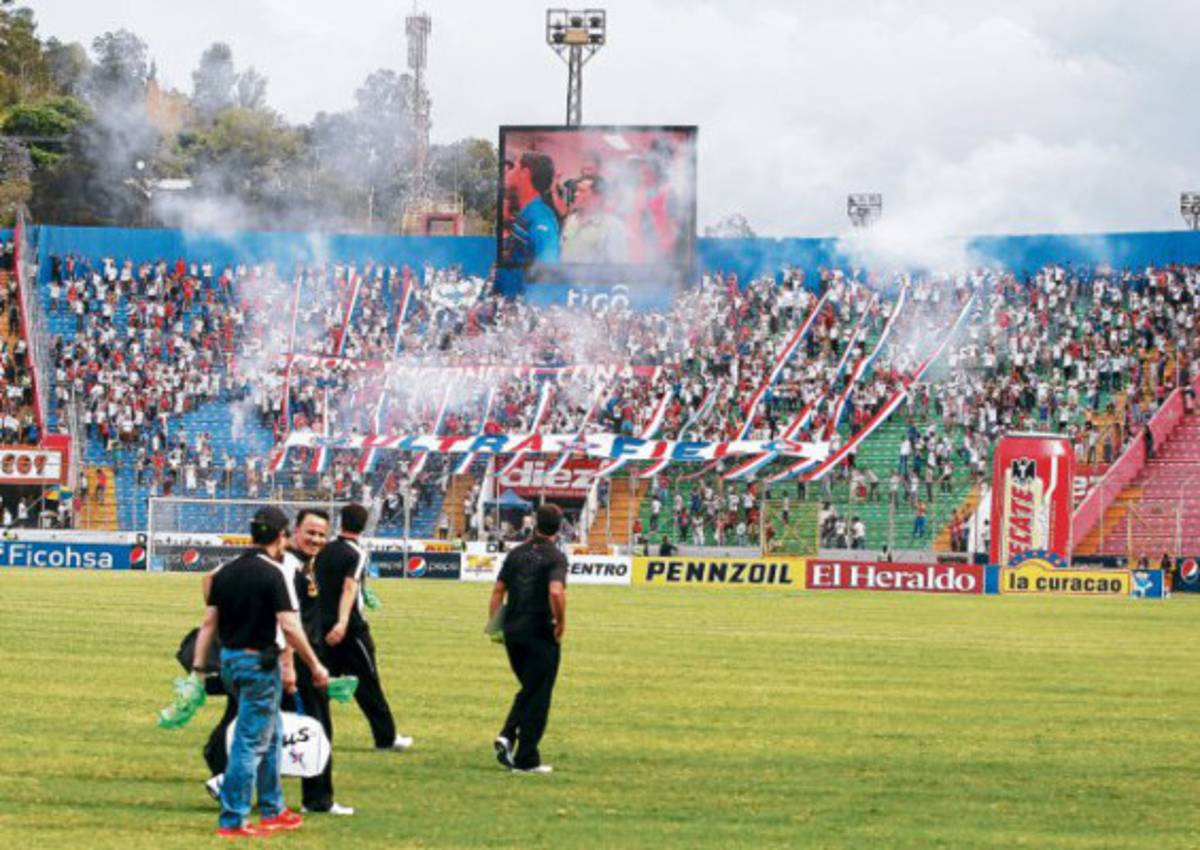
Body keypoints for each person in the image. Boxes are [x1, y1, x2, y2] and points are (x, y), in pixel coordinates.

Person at [191, 506, 330, 838]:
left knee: (272, 734)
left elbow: (208, 624)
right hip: (258, 664)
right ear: (281, 536)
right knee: (250, 742)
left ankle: (273, 808)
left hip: (230, 661)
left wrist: (197, 669)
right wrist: (314, 664)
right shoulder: (275, 573)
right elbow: (290, 626)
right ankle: (233, 818)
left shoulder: (227, 571)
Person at [315, 503, 412, 751]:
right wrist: (343, 622)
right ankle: (386, 738)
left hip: (322, 626)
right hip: (350, 629)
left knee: (320, 682)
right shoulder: (356, 553)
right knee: (368, 682)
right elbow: (349, 587)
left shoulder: (324, 550)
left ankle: (315, 736)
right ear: (365, 525)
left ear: (340, 522)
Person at [282, 509, 353, 816]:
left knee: (257, 726)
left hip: (302, 658)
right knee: (317, 728)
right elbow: (286, 621)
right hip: (297, 661)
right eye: (310, 532)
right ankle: (318, 800)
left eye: (322, 534)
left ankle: (223, 776)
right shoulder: (288, 566)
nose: (316, 539)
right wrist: (296, 663)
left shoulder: (306, 565)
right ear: (295, 530)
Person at [489, 503, 568, 774]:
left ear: (535, 523)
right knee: (539, 694)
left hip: (513, 631)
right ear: (559, 527)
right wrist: (561, 622)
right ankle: (525, 759)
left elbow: (498, 591)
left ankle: (508, 735)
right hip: (540, 630)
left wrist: (495, 627)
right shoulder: (555, 557)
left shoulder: (516, 553)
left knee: (531, 689)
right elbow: (556, 591)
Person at [504, 152, 561, 267]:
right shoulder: (525, 213)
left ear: (525, 173)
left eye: (514, 168)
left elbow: (547, 270)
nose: (508, 173)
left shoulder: (542, 221)